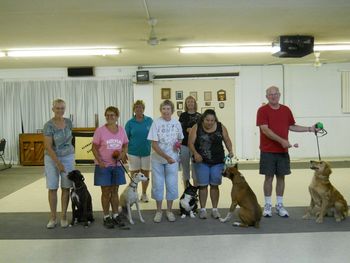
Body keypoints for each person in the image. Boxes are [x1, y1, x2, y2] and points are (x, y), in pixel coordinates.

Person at [256, 86, 317, 218]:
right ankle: (267, 205)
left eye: (275, 94)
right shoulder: (262, 110)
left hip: (282, 151)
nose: (273, 96)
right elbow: (265, 130)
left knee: (281, 177)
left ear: (279, 95)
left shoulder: (286, 110)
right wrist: (282, 140)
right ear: (267, 97)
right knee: (269, 177)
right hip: (268, 151)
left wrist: (309, 129)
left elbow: (291, 126)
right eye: (270, 94)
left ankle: (279, 205)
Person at [188, 109, 233, 219]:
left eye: (212, 120)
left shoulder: (221, 127)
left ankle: (214, 209)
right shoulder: (196, 127)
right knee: (202, 186)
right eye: (207, 120)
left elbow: (227, 140)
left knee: (214, 185)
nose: (210, 122)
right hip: (201, 161)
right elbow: (190, 143)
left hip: (217, 161)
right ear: (203, 119)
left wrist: (230, 151)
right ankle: (203, 209)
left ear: (215, 120)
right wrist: (195, 153)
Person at [92, 106, 129, 229]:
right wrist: (100, 161)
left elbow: (125, 145)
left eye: (112, 115)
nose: (110, 117)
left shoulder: (122, 130)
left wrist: (122, 155)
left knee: (115, 191)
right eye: (107, 115)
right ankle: (106, 216)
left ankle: (115, 214)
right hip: (103, 166)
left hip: (117, 166)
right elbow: (94, 148)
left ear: (117, 116)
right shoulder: (100, 131)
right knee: (105, 191)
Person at [147, 100, 184, 223]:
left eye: (168, 109)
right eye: (164, 109)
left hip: (172, 160)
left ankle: (169, 210)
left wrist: (178, 145)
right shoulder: (156, 123)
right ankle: (159, 211)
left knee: (171, 183)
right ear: (161, 110)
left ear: (172, 110)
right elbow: (154, 144)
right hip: (158, 159)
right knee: (157, 184)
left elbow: (180, 139)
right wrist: (166, 157)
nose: (166, 111)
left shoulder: (176, 123)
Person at [43, 98, 75, 229]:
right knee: (52, 187)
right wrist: (58, 163)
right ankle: (53, 217)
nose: (60, 110)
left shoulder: (68, 122)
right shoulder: (48, 125)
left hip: (68, 157)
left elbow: (70, 140)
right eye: (57, 108)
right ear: (53, 109)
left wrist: (68, 158)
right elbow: (48, 147)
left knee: (66, 187)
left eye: (62, 108)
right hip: (52, 158)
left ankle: (63, 216)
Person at [125, 100, 153, 202]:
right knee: (134, 175)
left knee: (145, 175)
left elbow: (155, 135)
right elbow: (125, 139)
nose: (139, 109)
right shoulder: (129, 123)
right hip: (133, 153)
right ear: (134, 109)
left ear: (143, 109)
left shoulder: (149, 121)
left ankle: (144, 194)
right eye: (136, 107)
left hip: (146, 152)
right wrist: (124, 153)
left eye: (140, 107)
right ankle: (134, 194)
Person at [178, 96, 201, 187]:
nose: (190, 103)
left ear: (195, 103)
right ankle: (186, 191)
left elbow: (201, 130)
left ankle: (195, 191)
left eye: (192, 102)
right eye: (188, 102)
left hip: (195, 146)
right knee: (185, 168)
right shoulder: (183, 115)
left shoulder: (200, 116)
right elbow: (180, 130)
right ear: (186, 104)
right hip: (184, 145)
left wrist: (192, 130)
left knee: (195, 169)